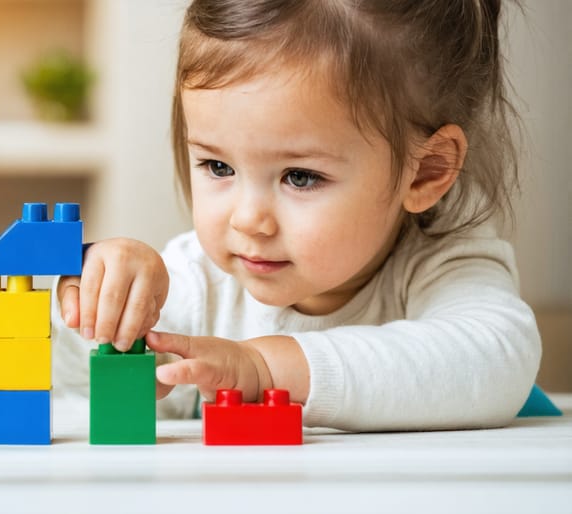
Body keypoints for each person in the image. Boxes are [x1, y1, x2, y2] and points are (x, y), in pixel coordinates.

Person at [53, 0, 541, 431]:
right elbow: (74, 387)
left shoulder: (441, 262)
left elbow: (498, 360)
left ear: (424, 171)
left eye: (300, 177)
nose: (247, 220)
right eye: (218, 166)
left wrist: (267, 369)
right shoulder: (196, 285)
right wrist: (98, 296)